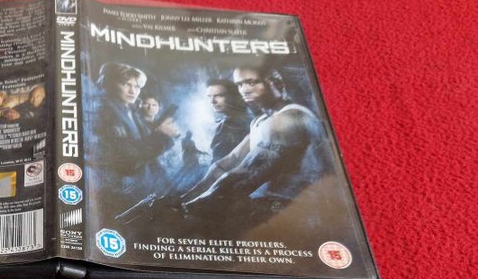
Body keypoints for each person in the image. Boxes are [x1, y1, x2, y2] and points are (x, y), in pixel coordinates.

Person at [179, 65, 334, 224]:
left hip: (296, 209)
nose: (245, 90)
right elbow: (230, 161)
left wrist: (188, 207)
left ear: (278, 83)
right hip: (269, 204)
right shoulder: (260, 120)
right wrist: (184, 199)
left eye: (252, 82)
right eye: (240, 84)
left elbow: (246, 175)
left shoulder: (288, 119)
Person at [88, 63, 180, 220]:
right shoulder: (105, 112)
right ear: (110, 83)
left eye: (137, 86)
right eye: (126, 84)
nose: (133, 91)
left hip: (142, 189)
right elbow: (127, 158)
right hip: (124, 193)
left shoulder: (128, 110)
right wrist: (162, 136)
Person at [205, 78, 250, 161]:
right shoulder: (245, 116)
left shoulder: (227, 126)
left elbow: (220, 162)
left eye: (219, 95)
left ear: (233, 96)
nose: (212, 101)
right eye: (209, 96)